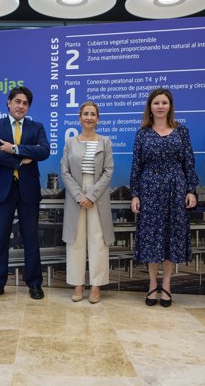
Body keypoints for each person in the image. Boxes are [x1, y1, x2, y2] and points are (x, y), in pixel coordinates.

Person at [130, 88, 198, 308]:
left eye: (164, 103)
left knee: (170, 237)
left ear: (170, 106)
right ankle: (152, 284)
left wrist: (190, 190)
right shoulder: (142, 133)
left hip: (175, 189)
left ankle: (167, 286)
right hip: (149, 189)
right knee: (151, 238)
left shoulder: (182, 131)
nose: (160, 106)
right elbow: (136, 166)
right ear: (150, 107)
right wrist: (135, 194)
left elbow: (189, 162)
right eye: (156, 102)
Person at [0, 86, 50, 300]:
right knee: (0, 238)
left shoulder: (36, 127)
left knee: (31, 238)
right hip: (2, 191)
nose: (21, 106)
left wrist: (14, 149)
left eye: (25, 103)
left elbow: (44, 151)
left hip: (28, 191)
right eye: (17, 101)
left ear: (28, 107)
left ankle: (34, 283)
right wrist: (22, 160)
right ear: (9, 103)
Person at [61, 101, 114, 303]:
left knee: (98, 241)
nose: (89, 117)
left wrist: (91, 195)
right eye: (85, 114)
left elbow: (108, 171)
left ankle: (95, 286)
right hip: (75, 194)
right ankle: (77, 285)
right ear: (80, 117)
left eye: (93, 114)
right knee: (76, 241)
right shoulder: (70, 143)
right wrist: (78, 195)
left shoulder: (105, 142)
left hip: (98, 195)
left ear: (97, 118)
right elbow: (64, 172)